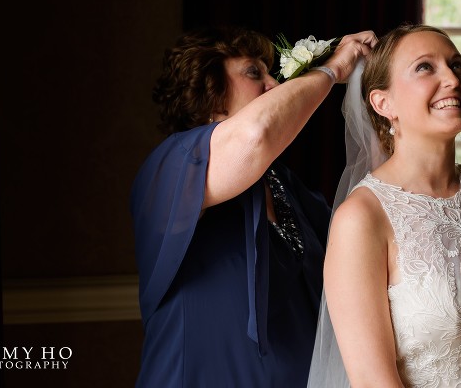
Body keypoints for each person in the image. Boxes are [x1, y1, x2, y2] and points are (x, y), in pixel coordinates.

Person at [130, 25, 377, 387]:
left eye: (269, 72)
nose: (273, 85)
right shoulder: (173, 165)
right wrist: (332, 69)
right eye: (253, 73)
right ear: (211, 96)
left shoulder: (286, 186)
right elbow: (254, 135)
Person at [313, 25, 461, 387]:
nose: (453, 80)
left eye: (457, 66)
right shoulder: (363, 217)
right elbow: (372, 379)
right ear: (383, 103)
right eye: (425, 67)